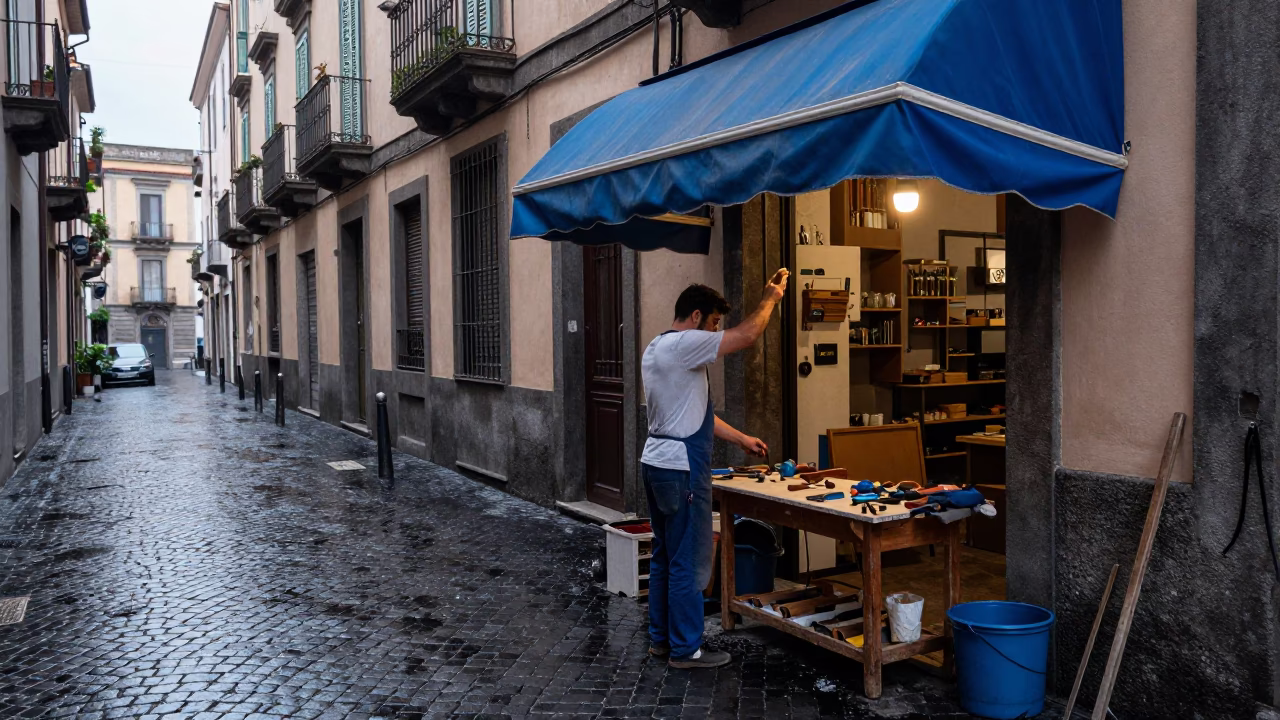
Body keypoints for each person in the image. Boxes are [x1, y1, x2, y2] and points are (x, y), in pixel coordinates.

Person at [641, 269, 790, 669]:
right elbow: (747, 336)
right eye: (713, 324)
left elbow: (696, 413)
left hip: (655, 463)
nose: (714, 333)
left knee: (663, 556)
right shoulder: (686, 344)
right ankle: (686, 649)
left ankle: (660, 641)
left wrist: (741, 439)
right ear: (694, 317)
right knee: (687, 560)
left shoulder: (656, 348)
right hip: (681, 470)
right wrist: (770, 299)